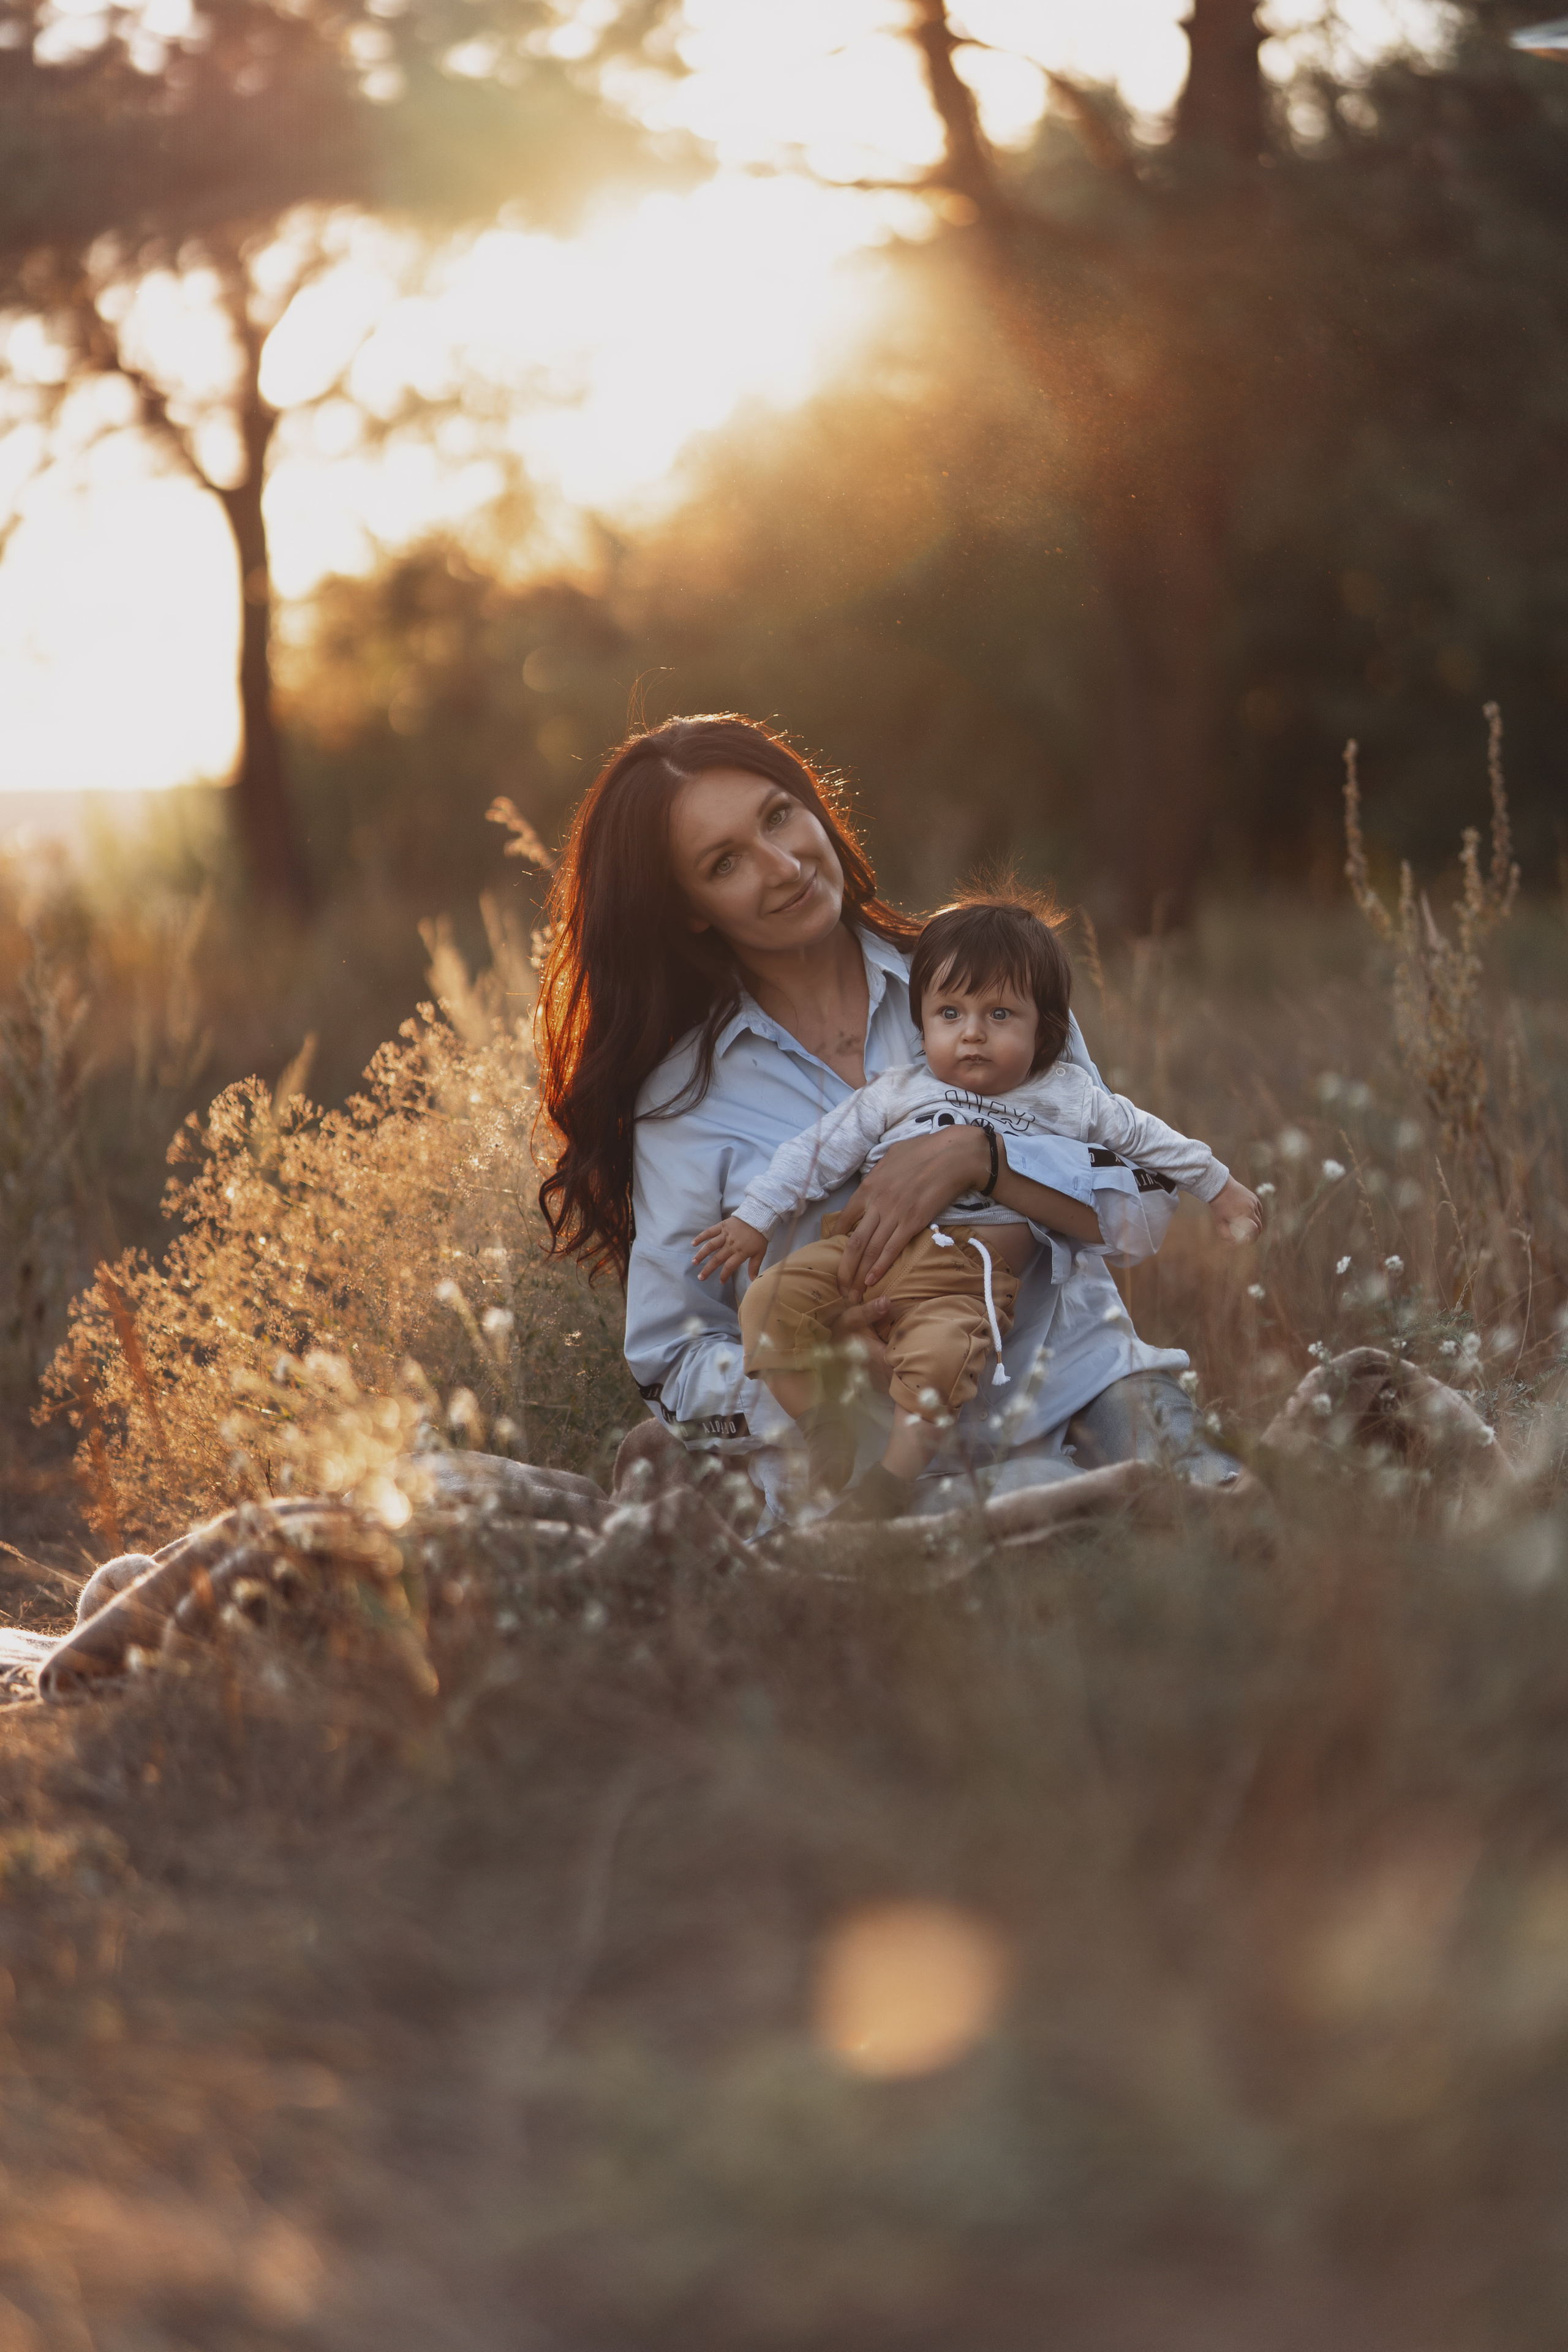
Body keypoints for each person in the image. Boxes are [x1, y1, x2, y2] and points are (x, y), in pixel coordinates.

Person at [536, 714, 1246, 1528]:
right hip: (879, 1476)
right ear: (690, 909)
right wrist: (822, 1376)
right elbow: (673, 1367)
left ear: (813, 807)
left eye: (779, 816)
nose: (783, 866)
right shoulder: (686, 1101)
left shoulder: (983, 983)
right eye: (724, 862)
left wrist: (986, 1161)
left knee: (1230, 1535)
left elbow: (1144, 1209)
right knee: (1031, 1553)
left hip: (1088, 1392)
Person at [692, 896, 1261, 1518]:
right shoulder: (898, 1092)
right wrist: (755, 1218)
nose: (972, 1033)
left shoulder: (1065, 1095)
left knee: (938, 1360)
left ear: (1045, 1029)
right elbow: (816, 1152)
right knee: (767, 1300)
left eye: (999, 1014)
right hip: (860, 1259)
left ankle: (890, 1483)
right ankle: (822, 1424)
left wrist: (1219, 1186)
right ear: (923, 1023)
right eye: (949, 1014)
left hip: (963, 1278)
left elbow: (1149, 1141)